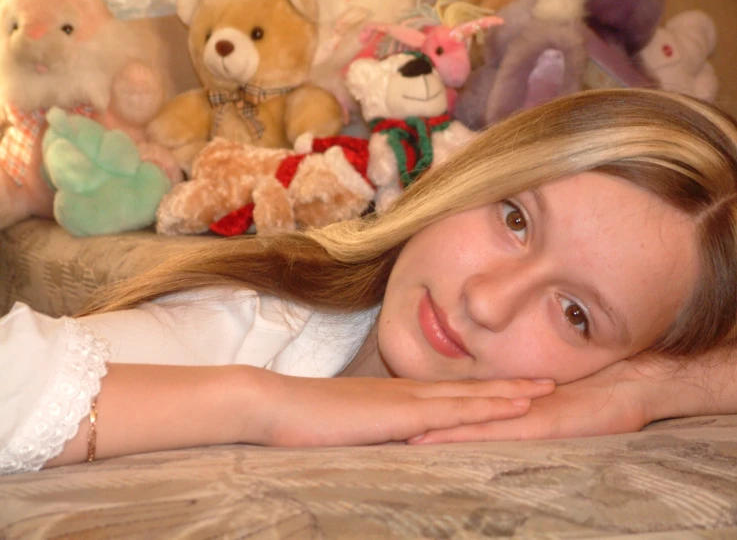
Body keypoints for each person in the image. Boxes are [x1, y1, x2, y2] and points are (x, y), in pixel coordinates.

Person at [3, 88, 737, 475]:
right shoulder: (249, 325)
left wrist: (642, 393)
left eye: (575, 314)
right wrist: (262, 404)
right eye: (514, 218)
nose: (485, 300)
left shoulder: (625, 379)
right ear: (468, 177)